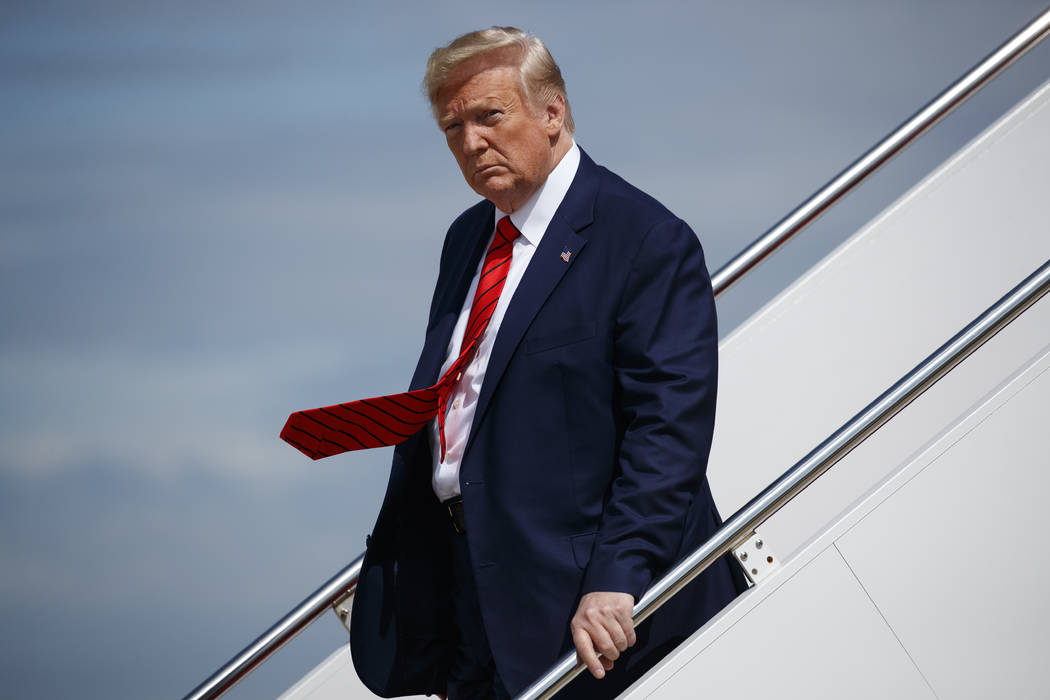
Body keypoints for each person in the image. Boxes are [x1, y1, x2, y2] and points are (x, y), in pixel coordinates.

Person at [281, 26, 746, 700]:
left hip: (583, 605)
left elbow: (667, 431)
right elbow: (463, 397)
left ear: (552, 113)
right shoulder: (468, 237)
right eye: (453, 127)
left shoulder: (644, 239)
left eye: (488, 116)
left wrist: (618, 576)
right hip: (468, 593)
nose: (470, 142)